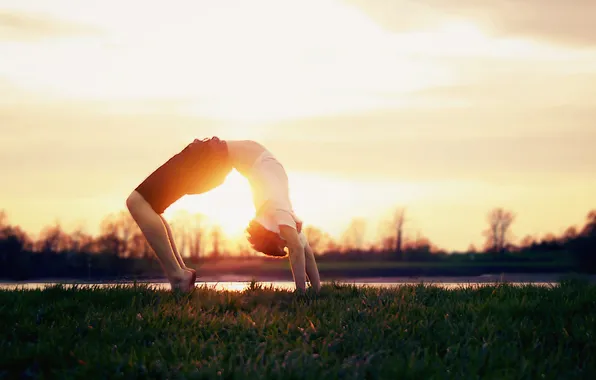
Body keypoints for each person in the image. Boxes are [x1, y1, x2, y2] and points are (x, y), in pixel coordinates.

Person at [125, 137, 321, 293]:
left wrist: (305, 294)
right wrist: (311, 291)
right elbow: (303, 249)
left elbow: (297, 247)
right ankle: (179, 275)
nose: (288, 242)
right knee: (148, 206)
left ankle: (178, 276)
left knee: (138, 202)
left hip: (212, 158)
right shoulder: (281, 210)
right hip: (214, 158)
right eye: (284, 243)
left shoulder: (276, 207)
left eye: (283, 244)